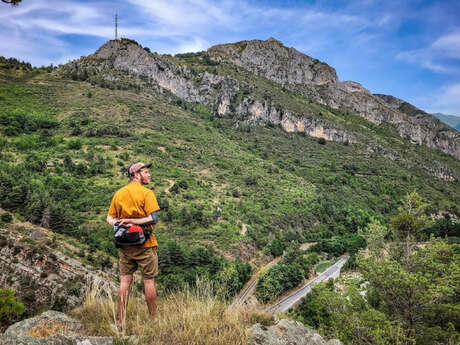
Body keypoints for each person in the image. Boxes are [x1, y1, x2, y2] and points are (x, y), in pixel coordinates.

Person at [107, 162, 160, 330]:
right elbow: (153, 218)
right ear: (136, 175)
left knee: (125, 282)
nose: (149, 175)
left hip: (125, 245)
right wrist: (133, 222)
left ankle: (120, 322)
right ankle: (153, 320)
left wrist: (122, 224)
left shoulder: (119, 193)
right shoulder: (147, 193)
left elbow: (109, 218)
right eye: (146, 172)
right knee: (149, 282)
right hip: (145, 244)